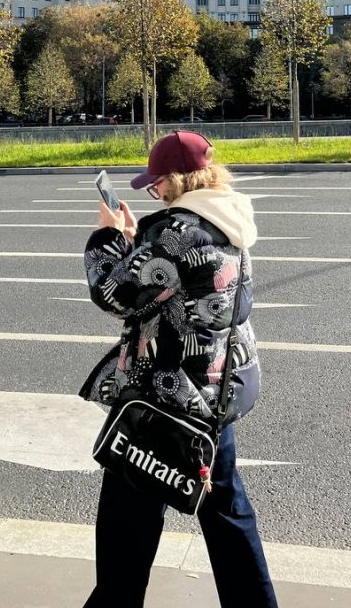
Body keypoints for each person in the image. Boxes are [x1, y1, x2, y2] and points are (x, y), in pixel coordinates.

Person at [80, 130, 278, 608]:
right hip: (213, 396)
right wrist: (138, 245)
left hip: (161, 402)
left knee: (126, 530)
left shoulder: (176, 231)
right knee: (229, 517)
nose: (155, 192)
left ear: (174, 179)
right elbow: (175, 283)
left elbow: (113, 294)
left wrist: (108, 237)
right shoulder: (227, 219)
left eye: (156, 184)